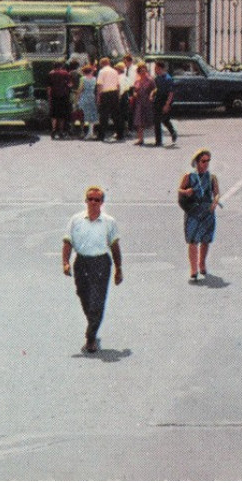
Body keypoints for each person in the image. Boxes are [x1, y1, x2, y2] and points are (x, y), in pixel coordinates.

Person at [61, 186, 122, 354]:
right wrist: (65, 262)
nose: (93, 202)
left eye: (97, 200)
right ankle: (93, 325)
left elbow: (115, 246)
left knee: (97, 300)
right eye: (90, 199)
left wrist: (119, 268)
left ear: (102, 202)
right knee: (84, 296)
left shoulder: (109, 221)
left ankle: (90, 338)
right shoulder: (76, 220)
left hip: (101, 263)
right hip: (81, 262)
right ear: (86, 201)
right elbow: (67, 242)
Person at [178, 150, 220, 281]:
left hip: (207, 211)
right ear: (197, 162)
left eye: (208, 161)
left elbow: (216, 193)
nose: (206, 164)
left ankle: (202, 263)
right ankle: (193, 268)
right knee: (193, 240)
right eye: (203, 161)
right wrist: (187, 191)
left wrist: (215, 202)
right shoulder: (189, 176)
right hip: (193, 210)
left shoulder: (211, 177)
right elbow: (180, 190)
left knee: (205, 240)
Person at [152, 60, 178, 148]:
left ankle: (173, 132)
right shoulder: (157, 78)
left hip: (165, 100)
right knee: (156, 120)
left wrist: (167, 104)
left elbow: (171, 93)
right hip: (158, 100)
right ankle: (158, 141)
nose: (155, 70)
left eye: (156, 68)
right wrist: (152, 94)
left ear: (160, 68)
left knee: (165, 119)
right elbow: (157, 89)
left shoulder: (168, 79)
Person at [95, 58, 122, 141]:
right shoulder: (114, 71)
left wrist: (98, 96)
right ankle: (120, 134)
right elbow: (118, 85)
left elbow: (100, 85)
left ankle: (102, 135)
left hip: (105, 94)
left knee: (104, 115)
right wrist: (118, 95)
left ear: (102, 64)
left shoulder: (102, 71)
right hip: (114, 93)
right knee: (116, 115)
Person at [48, 60, 76, 139]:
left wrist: (49, 96)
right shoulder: (65, 73)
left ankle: (53, 130)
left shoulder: (50, 73)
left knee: (54, 114)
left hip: (54, 95)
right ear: (61, 66)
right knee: (62, 114)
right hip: (64, 96)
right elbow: (70, 84)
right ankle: (61, 130)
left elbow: (49, 87)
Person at [130, 63, 155, 145]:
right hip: (139, 102)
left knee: (150, 120)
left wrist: (151, 94)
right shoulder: (137, 80)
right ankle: (140, 139)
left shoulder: (150, 80)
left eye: (144, 70)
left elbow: (154, 89)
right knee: (139, 121)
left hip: (147, 102)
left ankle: (157, 138)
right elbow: (134, 90)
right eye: (141, 71)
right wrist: (134, 93)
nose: (143, 72)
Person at [78, 64, 101, 140]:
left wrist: (78, 97)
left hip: (84, 97)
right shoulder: (95, 79)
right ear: (91, 71)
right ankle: (91, 132)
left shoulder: (82, 78)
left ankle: (85, 132)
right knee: (92, 114)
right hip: (92, 97)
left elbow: (80, 89)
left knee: (84, 114)